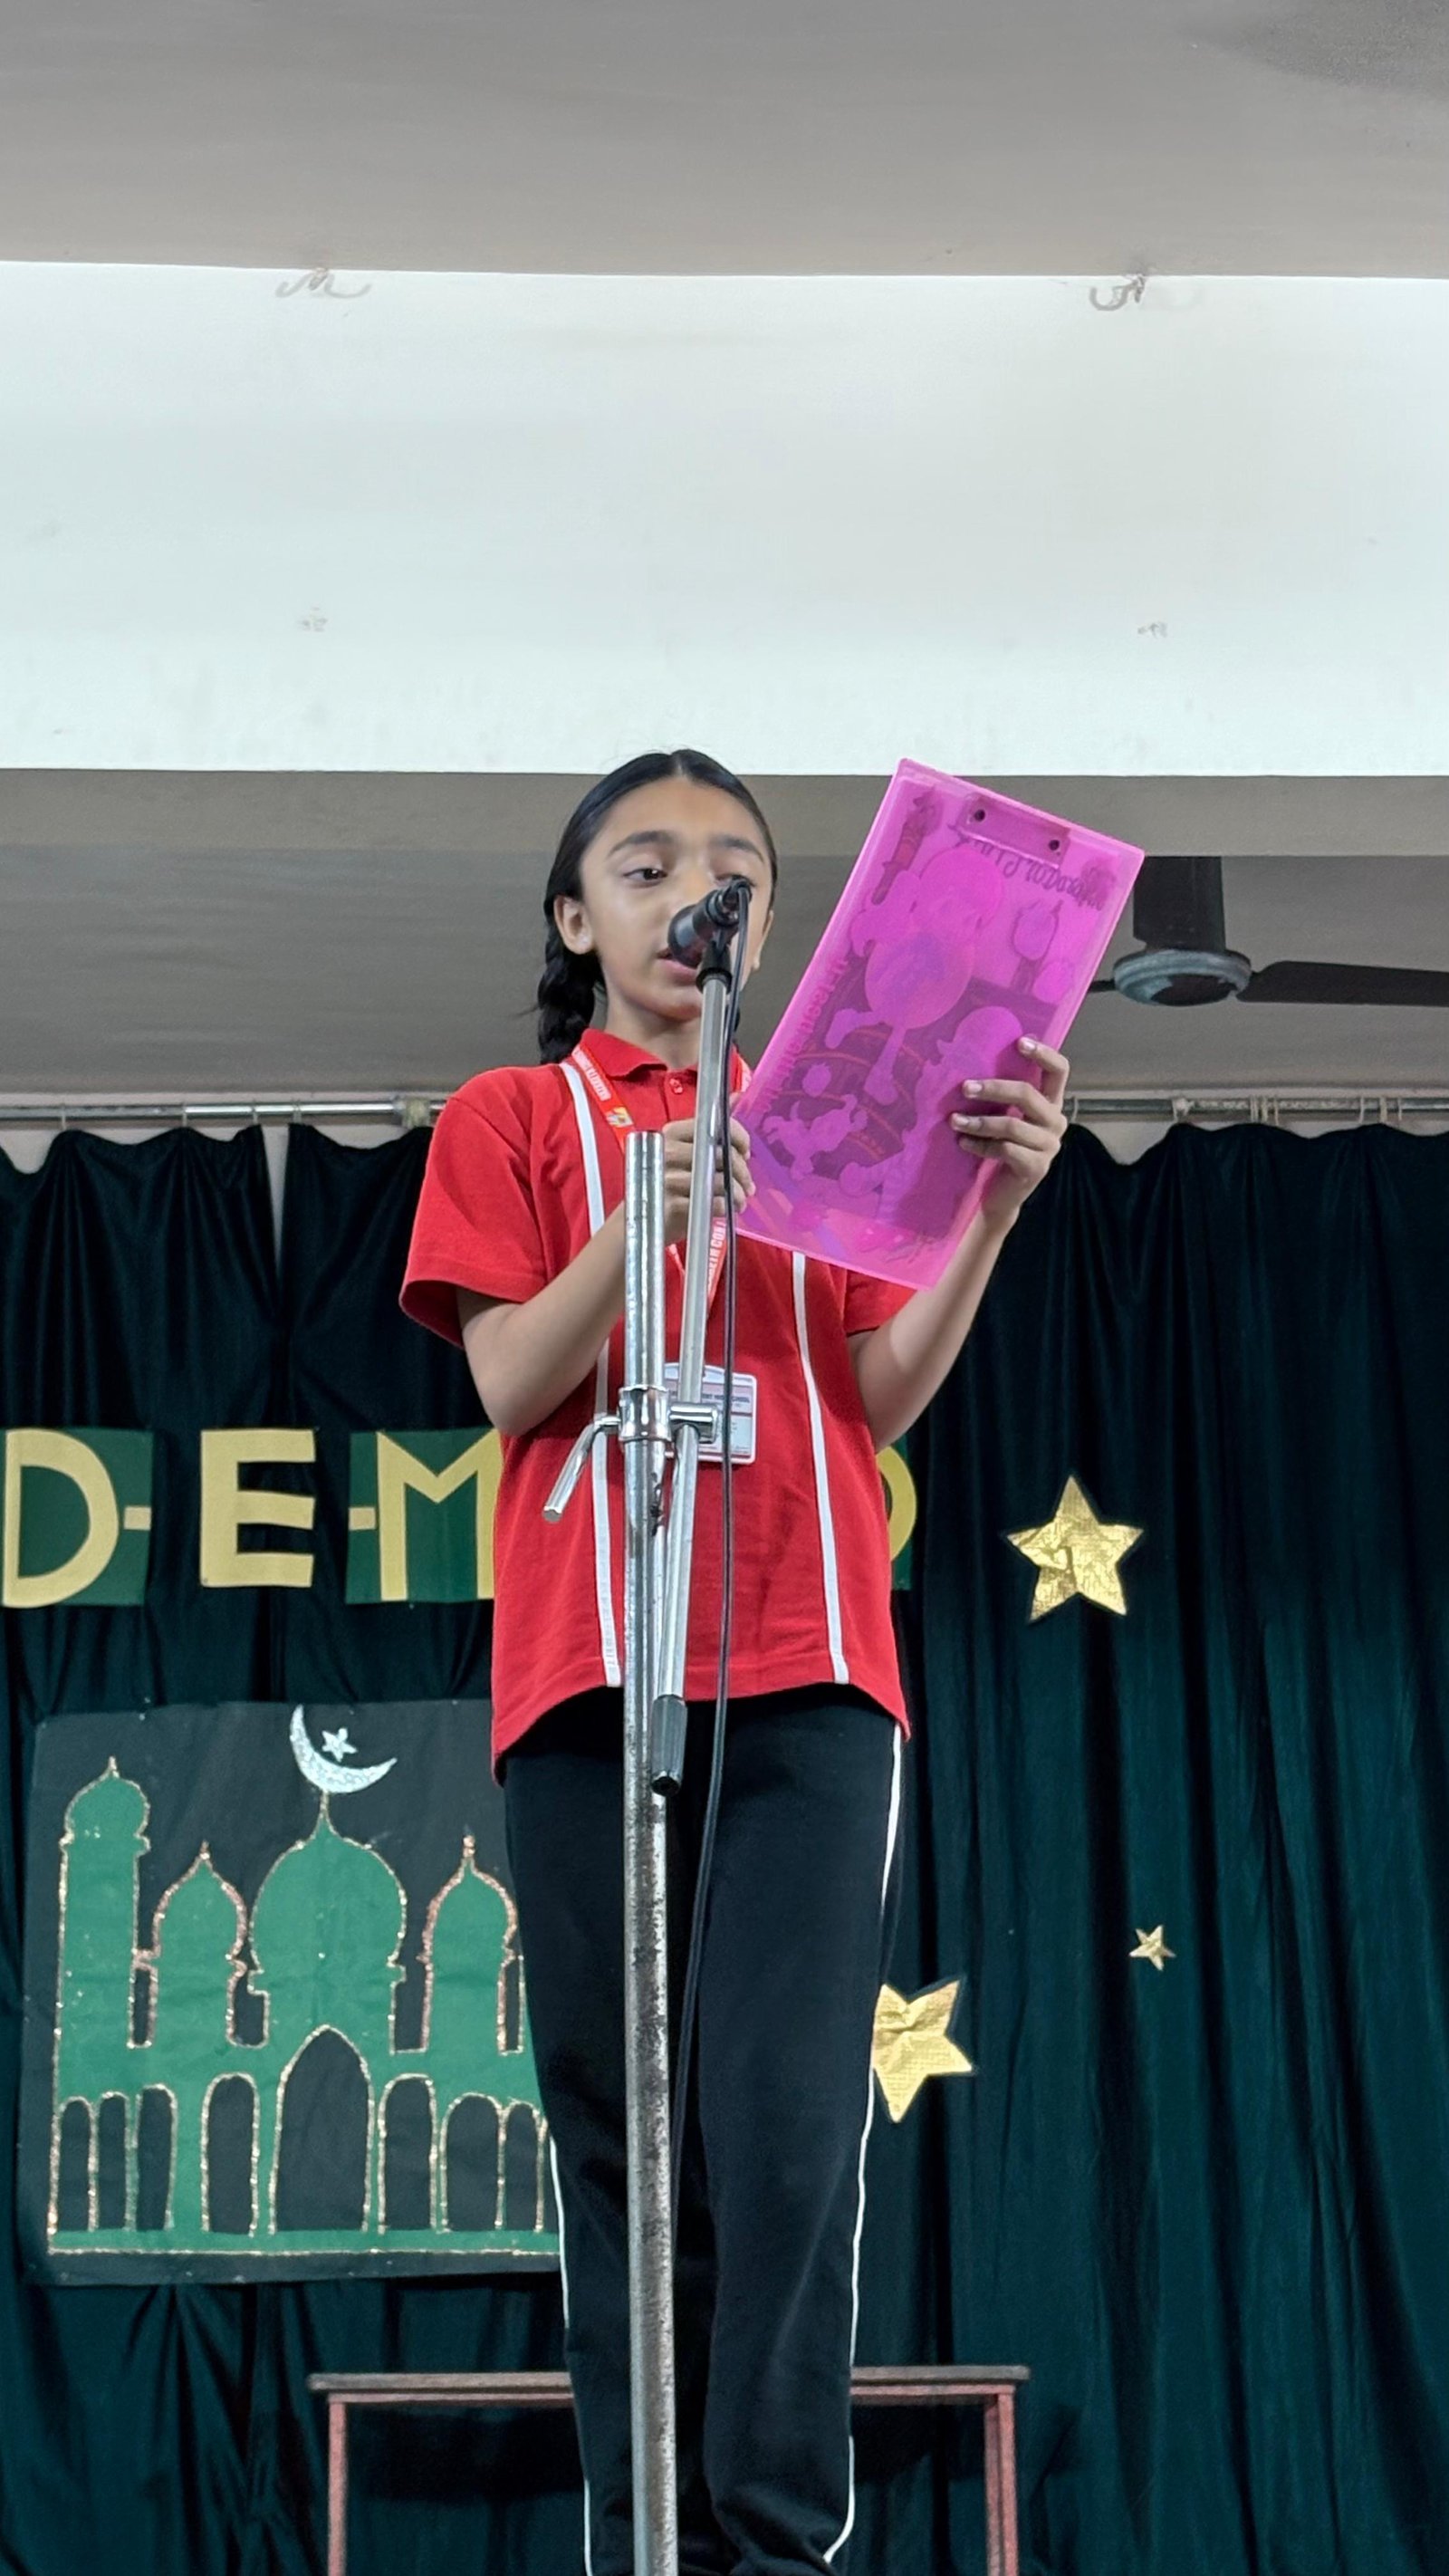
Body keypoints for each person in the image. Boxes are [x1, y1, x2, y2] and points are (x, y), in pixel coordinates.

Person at [399, 748, 1068, 2576]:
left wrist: (988, 1210)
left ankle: (771, 2540)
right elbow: (506, 1382)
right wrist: (647, 1217)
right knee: (622, 2138)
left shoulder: (829, 1116)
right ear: (575, 917)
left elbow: (876, 1391)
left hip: (810, 1661)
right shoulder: (516, 1113)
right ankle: (647, 2543)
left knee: (782, 2138)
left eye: (732, 871)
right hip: (592, 1672)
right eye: (643, 866)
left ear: (771, 924)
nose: (692, 893)